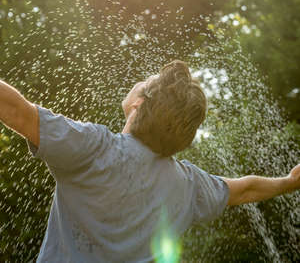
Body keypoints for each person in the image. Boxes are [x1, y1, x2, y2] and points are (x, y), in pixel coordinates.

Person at [0, 60, 299, 262]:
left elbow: (15, 111)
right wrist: (288, 182)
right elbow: (245, 190)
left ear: (138, 102)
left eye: (145, 81)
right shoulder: (187, 185)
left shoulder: (92, 147)